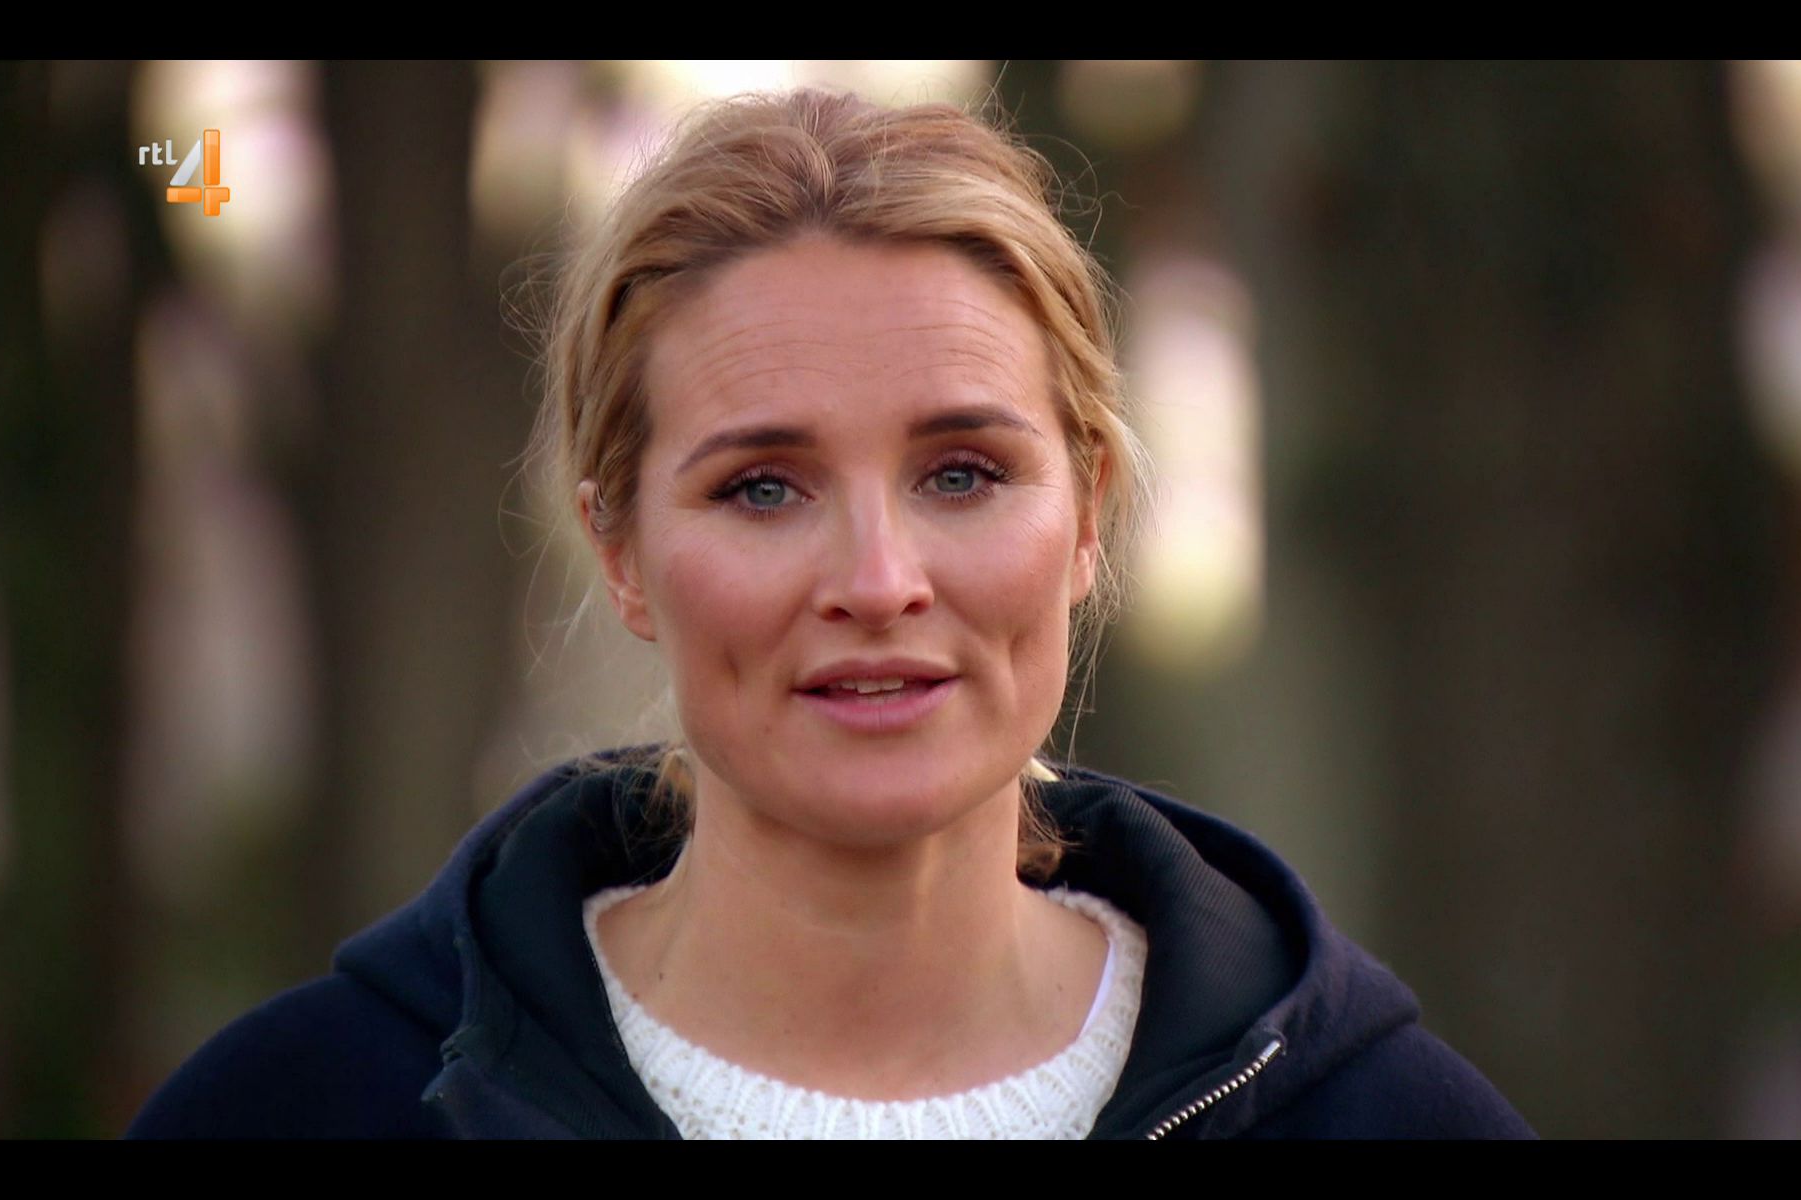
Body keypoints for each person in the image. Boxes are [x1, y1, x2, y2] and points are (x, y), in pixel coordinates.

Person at [128, 87, 1534, 1140]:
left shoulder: (1384, 1121)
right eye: (763, 489)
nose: (877, 578)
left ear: (1088, 515)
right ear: (621, 550)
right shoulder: (303, 1107)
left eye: (964, 474)